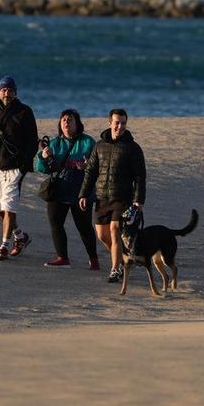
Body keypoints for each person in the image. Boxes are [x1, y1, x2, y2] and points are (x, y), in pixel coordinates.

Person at [79, 109, 146, 283]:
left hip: (123, 199)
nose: (120, 126)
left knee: (115, 230)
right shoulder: (99, 145)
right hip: (102, 198)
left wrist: (139, 200)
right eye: (117, 122)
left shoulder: (133, 148)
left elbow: (140, 176)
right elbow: (90, 172)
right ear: (110, 123)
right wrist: (84, 194)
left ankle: (115, 270)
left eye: (123, 123)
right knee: (102, 235)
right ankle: (123, 258)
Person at [0, 76, 39, 260]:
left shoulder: (25, 112)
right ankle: (20, 235)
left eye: (10, 90)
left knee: (9, 206)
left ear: (15, 93)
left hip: (14, 169)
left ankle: (4, 245)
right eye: (4, 90)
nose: (7, 93)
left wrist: (23, 166)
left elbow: (32, 142)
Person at [36, 108, 99, 270]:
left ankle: (94, 260)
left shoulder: (88, 142)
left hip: (81, 191)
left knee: (84, 226)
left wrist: (86, 166)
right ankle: (63, 258)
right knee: (55, 222)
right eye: (63, 120)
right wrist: (43, 157)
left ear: (78, 124)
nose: (66, 122)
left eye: (70, 120)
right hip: (59, 190)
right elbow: (42, 169)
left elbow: (99, 166)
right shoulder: (55, 143)